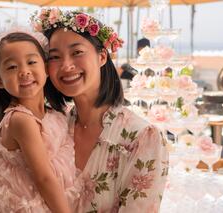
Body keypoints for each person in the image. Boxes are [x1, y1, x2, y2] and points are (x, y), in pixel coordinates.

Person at [31, 9, 169, 212]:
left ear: (102, 56)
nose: (66, 65)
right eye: (54, 57)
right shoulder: (53, 127)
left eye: (77, 52)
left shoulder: (142, 137)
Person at [0, 27, 76, 213]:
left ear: (46, 67)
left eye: (31, 61)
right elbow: (44, 178)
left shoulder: (56, 114)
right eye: (12, 67)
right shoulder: (21, 120)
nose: (24, 71)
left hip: (59, 199)